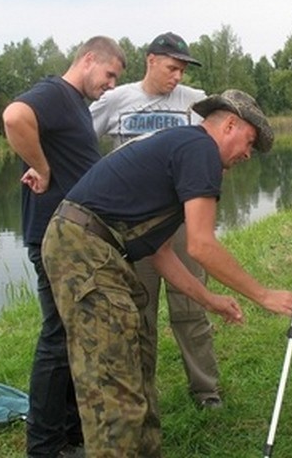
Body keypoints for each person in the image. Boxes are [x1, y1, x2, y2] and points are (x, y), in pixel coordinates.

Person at [41, 89, 292, 457]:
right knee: (113, 391)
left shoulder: (183, 148)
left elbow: (161, 252)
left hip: (97, 248)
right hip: (84, 250)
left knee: (136, 373)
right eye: (249, 142)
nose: (248, 154)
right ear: (230, 124)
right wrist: (263, 295)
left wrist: (209, 300)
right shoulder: (200, 150)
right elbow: (201, 244)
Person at [2, 36, 127, 458]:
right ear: (88, 59)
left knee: (73, 334)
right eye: (109, 74)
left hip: (75, 239)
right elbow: (15, 116)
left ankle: (71, 430)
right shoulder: (56, 92)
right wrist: (40, 166)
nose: (110, 84)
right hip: (54, 238)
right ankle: (44, 445)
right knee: (57, 337)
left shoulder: (75, 103)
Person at [90, 31, 223, 409]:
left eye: (182, 69)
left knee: (190, 307)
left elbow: (220, 141)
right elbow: (83, 140)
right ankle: (142, 393)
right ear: (150, 60)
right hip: (132, 226)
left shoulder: (196, 102)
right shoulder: (116, 99)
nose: (177, 76)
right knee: (138, 311)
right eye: (171, 67)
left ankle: (205, 389)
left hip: (181, 220)